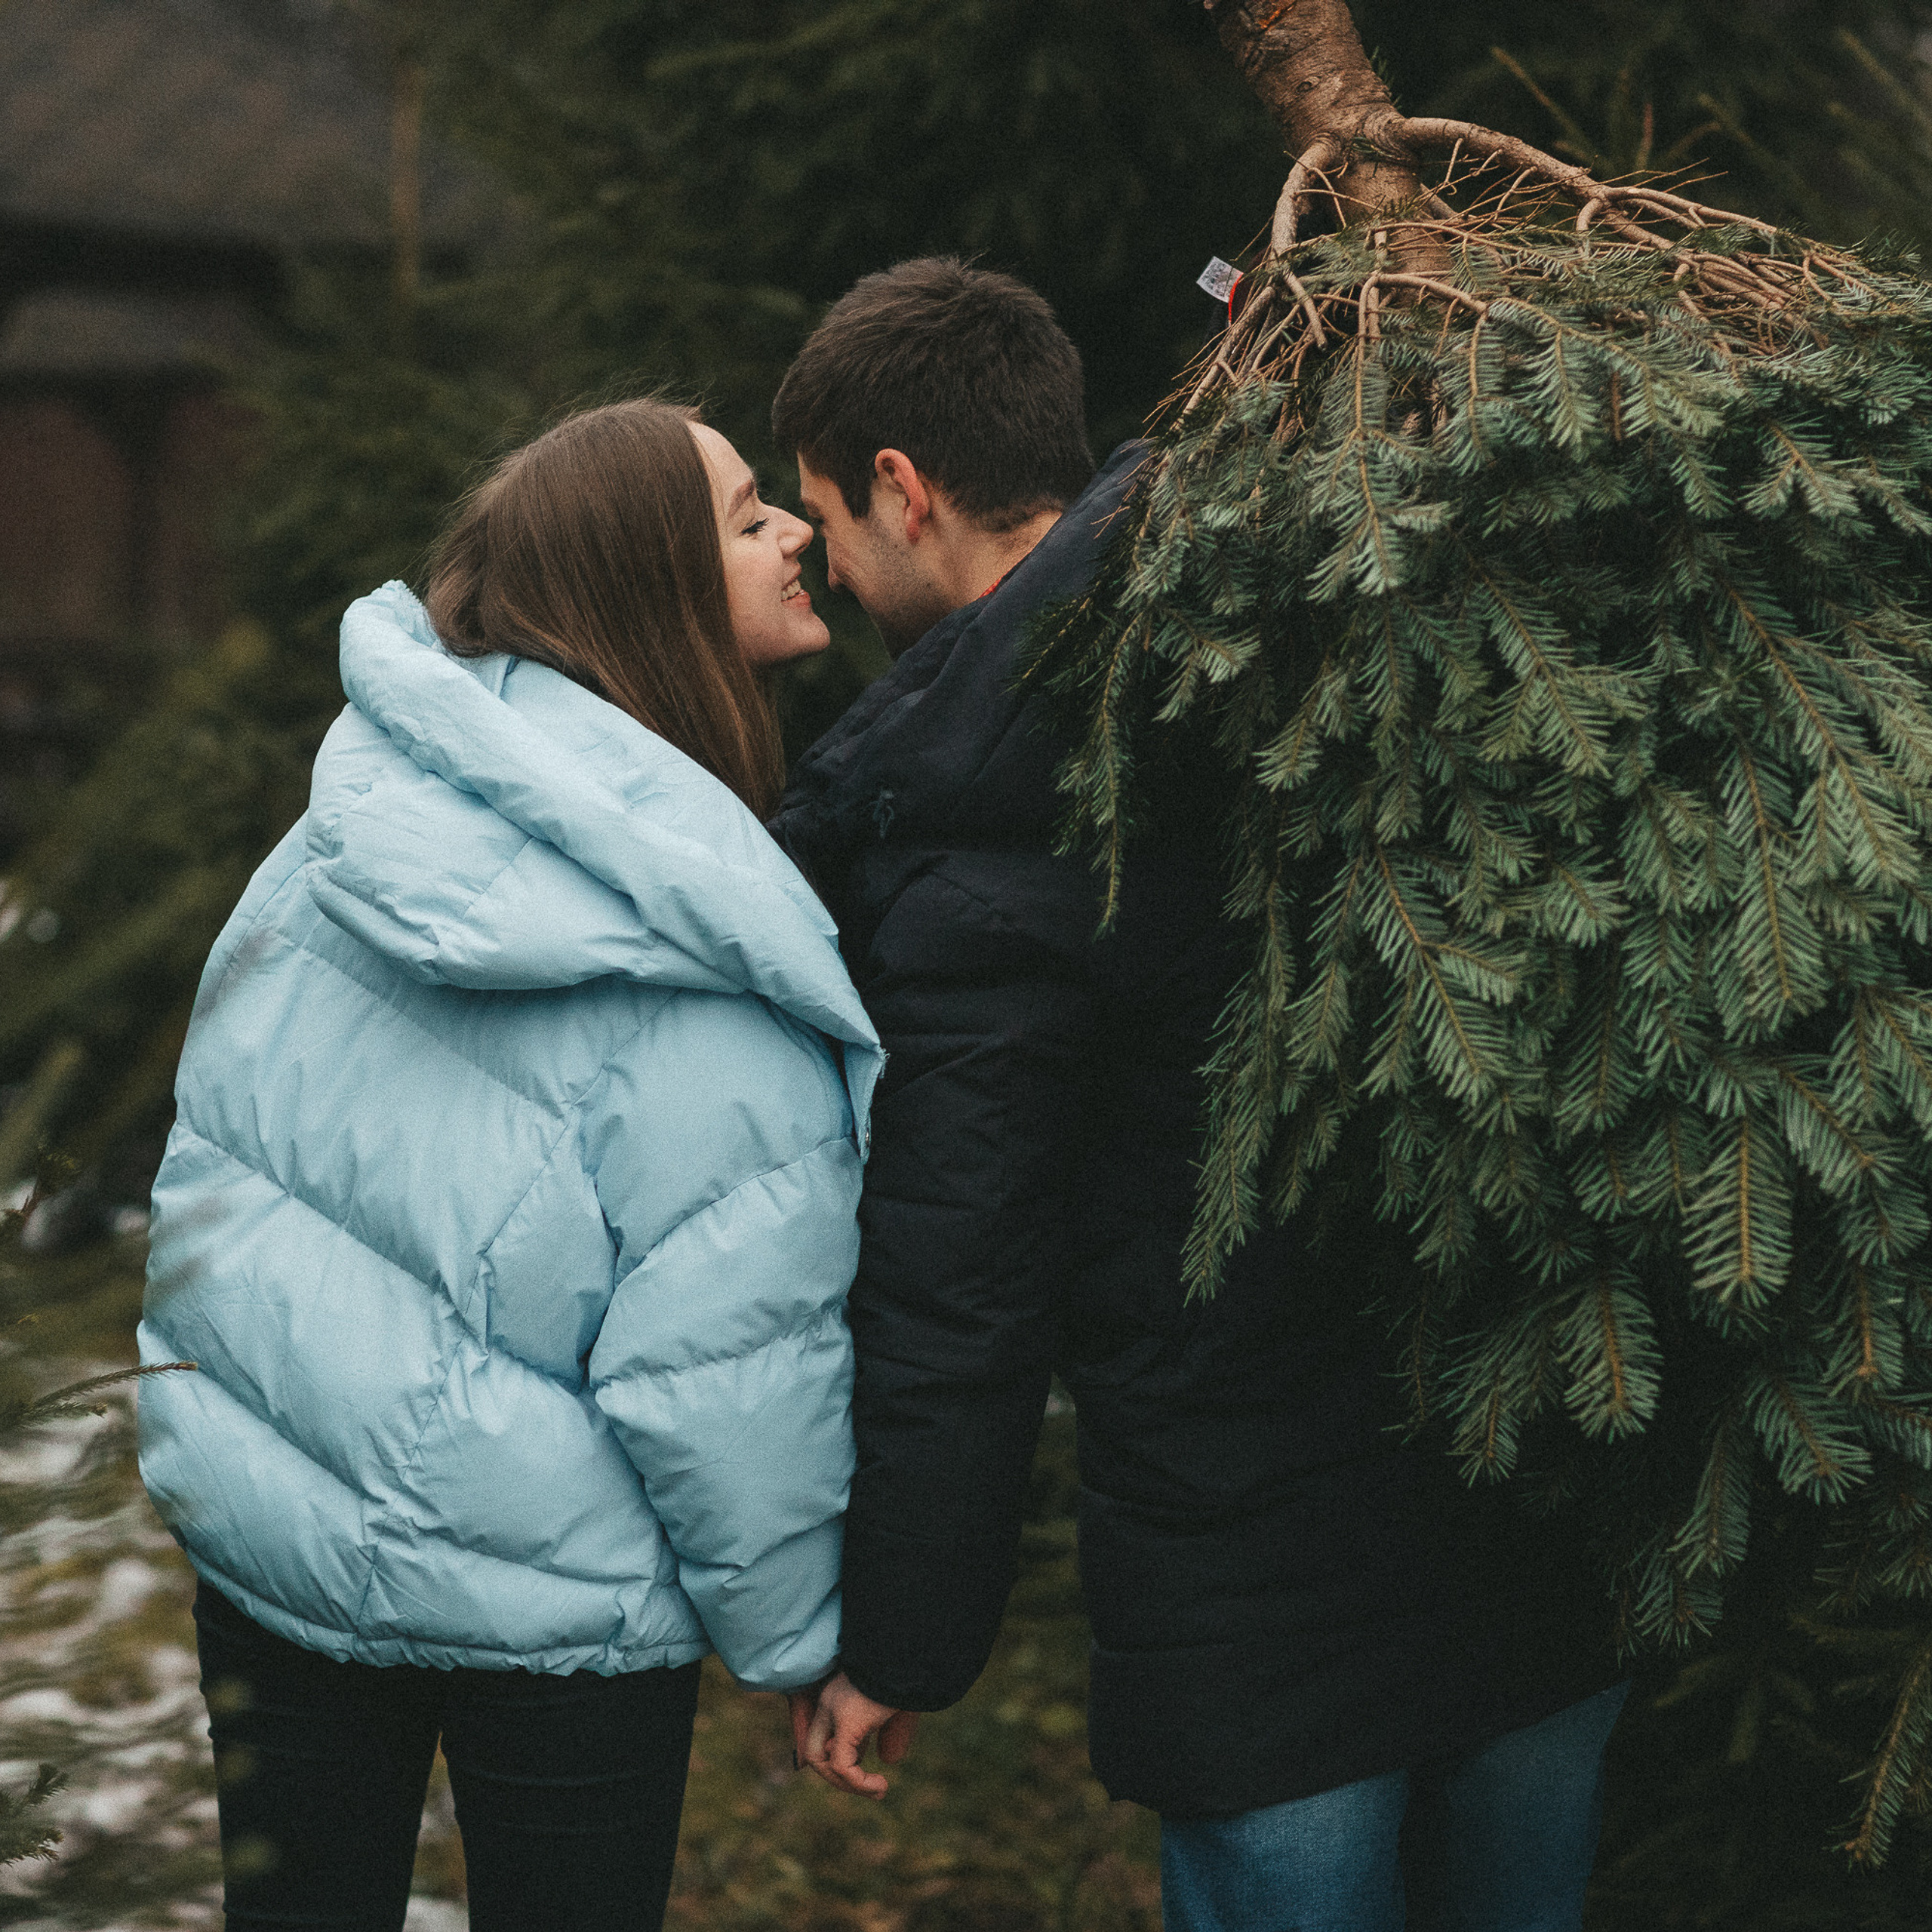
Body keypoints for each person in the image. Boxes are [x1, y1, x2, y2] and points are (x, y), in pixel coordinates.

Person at [770, 260, 1628, 1932]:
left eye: (827, 517)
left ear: (902, 487)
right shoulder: (1348, 618)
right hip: (1525, 1501)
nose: (833, 563)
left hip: (1254, 1607)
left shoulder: (970, 837)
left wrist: (902, 1639)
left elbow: (962, 1287)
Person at [137, 398, 882, 1932]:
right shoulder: (706, 949)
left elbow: (213, 1153)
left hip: (273, 1536)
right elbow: (714, 1359)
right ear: (645, 591)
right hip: (560, 1610)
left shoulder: (338, 836)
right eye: (748, 515)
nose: (796, 528)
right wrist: (800, 1632)